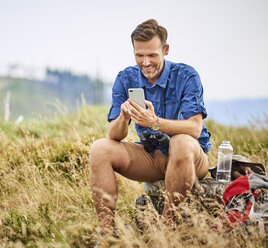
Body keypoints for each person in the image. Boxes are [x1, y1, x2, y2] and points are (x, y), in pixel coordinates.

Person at [89, 19, 211, 239]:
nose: (145, 62)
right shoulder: (125, 78)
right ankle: (107, 237)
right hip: (151, 156)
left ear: (165, 50)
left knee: (180, 142)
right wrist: (124, 116)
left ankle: (166, 233)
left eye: (152, 55)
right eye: (139, 55)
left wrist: (154, 122)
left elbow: (194, 127)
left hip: (190, 157)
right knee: (100, 148)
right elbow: (114, 135)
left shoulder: (186, 76)